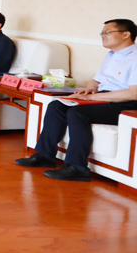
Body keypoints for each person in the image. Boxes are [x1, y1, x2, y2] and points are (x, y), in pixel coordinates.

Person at [16, 19, 137, 182]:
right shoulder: (111, 55)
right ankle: (45, 155)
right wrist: (90, 89)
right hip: (103, 97)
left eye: (107, 32)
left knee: (77, 113)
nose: (103, 36)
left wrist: (92, 97)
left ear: (126, 34)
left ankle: (77, 167)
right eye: (102, 33)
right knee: (56, 106)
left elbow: (133, 94)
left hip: (125, 103)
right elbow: (96, 80)